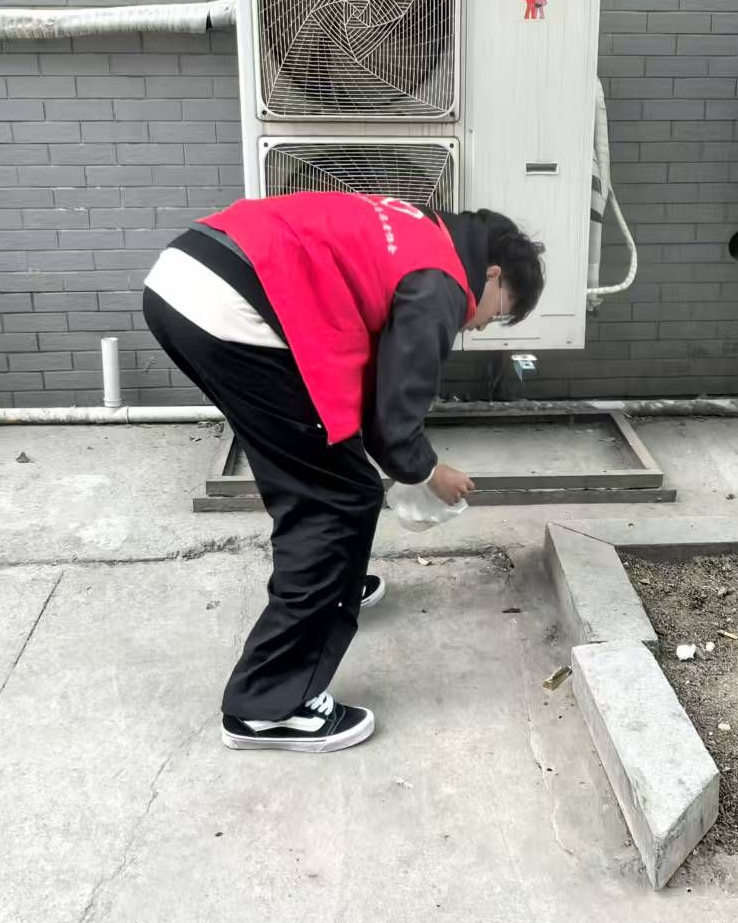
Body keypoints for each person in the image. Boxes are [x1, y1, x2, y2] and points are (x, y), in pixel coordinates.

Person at [142, 192, 546, 754]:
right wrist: (430, 472)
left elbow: (373, 387)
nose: (484, 324)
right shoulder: (443, 282)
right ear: (493, 273)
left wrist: (409, 458)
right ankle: (267, 705)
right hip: (234, 303)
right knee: (337, 498)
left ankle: (337, 582)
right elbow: (393, 422)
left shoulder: (424, 232)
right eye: (500, 310)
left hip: (191, 276)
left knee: (313, 465)